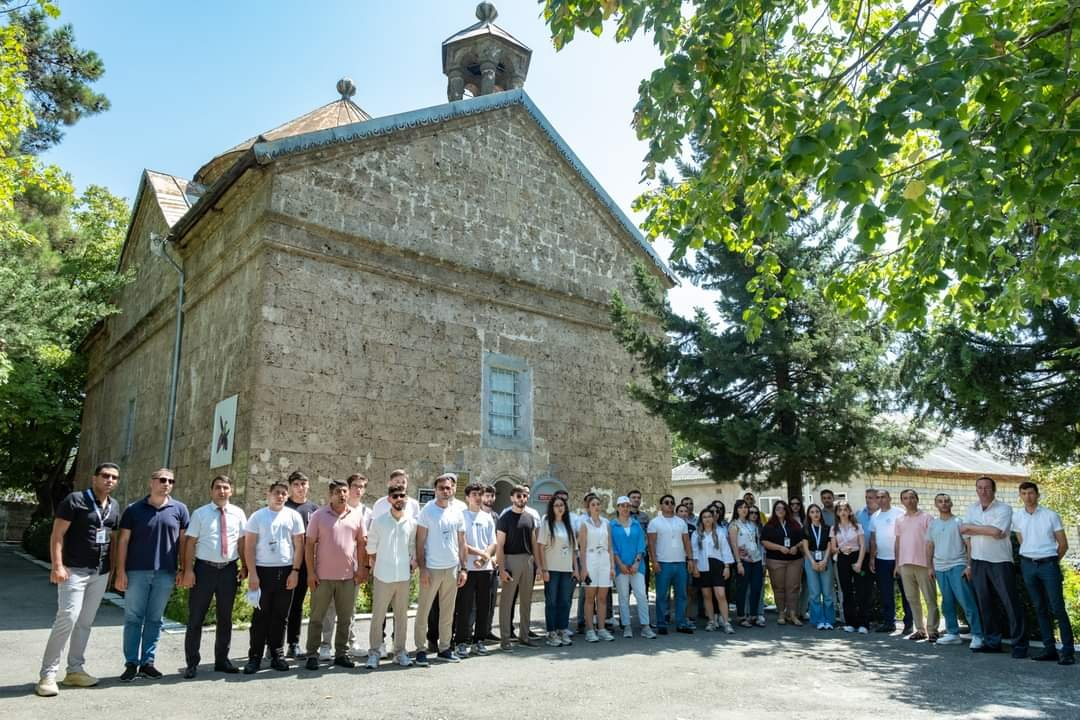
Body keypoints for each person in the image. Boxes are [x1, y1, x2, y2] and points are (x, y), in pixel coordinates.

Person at [35, 463, 122, 697]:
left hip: (99, 573)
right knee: (67, 619)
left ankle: (75, 670)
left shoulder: (114, 506)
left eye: (114, 477)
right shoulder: (75, 500)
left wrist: (112, 571)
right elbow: (57, 535)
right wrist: (58, 566)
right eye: (105, 476)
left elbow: (111, 540)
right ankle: (47, 675)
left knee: (85, 622)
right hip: (73, 571)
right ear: (94, 478)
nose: (110, 480)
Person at [115, 468, 189, 682]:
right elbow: (123, 541)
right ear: (152, 482)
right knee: (133, 618)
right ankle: (131, 663)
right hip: (136, 572)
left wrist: (184, 568)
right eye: (162, 480)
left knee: (155, 620)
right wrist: (120, 572)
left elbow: (183, 543)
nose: (167, 484)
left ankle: (147, 663)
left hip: (165, 573)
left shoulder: (180, 509)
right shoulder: (134, 510)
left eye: (171, 481)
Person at [181, 475, 247, 678]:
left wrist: (245, 566)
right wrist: (188, 570)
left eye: (226, 488)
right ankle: (192, 663)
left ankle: (222, 660)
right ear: (212, 491)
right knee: (196, 618)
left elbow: (242, 542)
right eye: (218, 487)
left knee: (225, 618)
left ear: (231, 491)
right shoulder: (200, 514)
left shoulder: (238, 513)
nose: (222, 491)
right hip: (204, 570)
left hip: (228, 570)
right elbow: (190, 543)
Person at [304, 478, 368, 671]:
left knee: (346, 618)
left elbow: (362, 544)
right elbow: (309, 545)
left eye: (345, 491)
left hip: (348, 577)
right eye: (338, 492)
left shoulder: (356, 515)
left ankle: (341, 653)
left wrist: (362, 569)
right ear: (330, 495)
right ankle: (312, 655)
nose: (342, 495)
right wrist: (310, 573)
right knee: (317, 618)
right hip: (322, 577)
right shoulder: (318, 515)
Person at [961, 476, 1028, 658]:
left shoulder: (1004, 509)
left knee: (1010, 604)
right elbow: (964, 532)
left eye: (987, 488)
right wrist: (969, 562)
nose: (983, 491)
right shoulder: (971, 508)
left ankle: (1019, 645)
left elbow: (997, 532)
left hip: (1000, 562)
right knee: (985, 604)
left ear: (994, 490)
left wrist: (973, 527)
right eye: (980, 488)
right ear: (976, 490)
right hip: (978, 561)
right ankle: (992, 642)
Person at [243, 481, 305, 673]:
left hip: (286, 571)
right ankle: (255, 657)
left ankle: (277, 655)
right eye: (277, 493)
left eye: (283, 493)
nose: (280, 496)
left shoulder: (293, 516)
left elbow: (299, 545)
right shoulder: (257, 516)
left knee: (280, 616)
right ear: (268, 494)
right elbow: (249, 547)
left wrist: (295, 571)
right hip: (262, 571)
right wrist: (252, 573)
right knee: (261, 615)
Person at [1013, 481, 1073, 664]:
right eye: (1024, 493)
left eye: (1031, 493)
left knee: (1057, 608)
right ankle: (1049, 649)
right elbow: (1021, 540)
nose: (1027, 497)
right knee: (1039, 608)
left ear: (1037, 495)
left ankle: (1068, 652)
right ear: (1020, 496)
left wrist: (1052, 562)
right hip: (1028, 565)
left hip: (1048, 565)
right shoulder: (1017, 517)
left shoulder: (1050, 515)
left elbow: (1063, 544)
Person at [414, 473, 467, 666]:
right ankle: (420, 649)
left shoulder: (457, 511)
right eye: (442, 488)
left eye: (449, 488)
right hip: (432, 568)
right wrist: (423, 568)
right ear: (435, 490)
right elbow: (420, 542)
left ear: (453, 489)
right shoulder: (427, 511)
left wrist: (464, 568)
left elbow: (462, 542)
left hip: (452, 568)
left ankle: (445, 648)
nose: (446, 491)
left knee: (448, 612)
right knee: (424, 611)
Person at [364, 480, 417, 670]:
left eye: (402, 495)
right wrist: (383, 564)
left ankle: (400, 652)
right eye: (395, 496)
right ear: (389, 499)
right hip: (383, 576)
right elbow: (371, 549)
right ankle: (374, 653)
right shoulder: (378, 522)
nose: (399, 499)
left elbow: (412, 548)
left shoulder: (412, 523)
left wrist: (411, 563)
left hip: (403, 576)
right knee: (378, 617)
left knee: (401, 617)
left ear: (406, 498)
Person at [319, 472, 371, 659]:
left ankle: (350, 642)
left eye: (362, 486)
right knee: (329, 608)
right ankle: (325, 644)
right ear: (348, 490)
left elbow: (367, 543)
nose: (358, 489)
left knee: (349, 610)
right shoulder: (330, 510)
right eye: (355, 486)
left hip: (354, 568)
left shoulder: (367, 513)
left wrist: (365, 567)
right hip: (330, 568)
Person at [926, 493, 983, 648]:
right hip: (940, 568)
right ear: (936, 505)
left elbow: (969, 545)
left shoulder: (959, 522)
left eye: (946, 501)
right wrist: (930, 567)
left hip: (958, 566)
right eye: (940, 501)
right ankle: (952, 634)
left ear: (951, 503)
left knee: (967, 602)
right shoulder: (933, 524)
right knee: (947, 602)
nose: (943, 504)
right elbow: (930, 545)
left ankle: (978, 635)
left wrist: (969, 566)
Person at [454, 482, 496, 657]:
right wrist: (482, 555)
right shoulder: (461, 516)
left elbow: (493, 542)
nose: (478, 498)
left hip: (484, 570)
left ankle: (479, 641)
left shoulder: (487, 517)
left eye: (480, 494)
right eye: (474, 495)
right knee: (464, 607)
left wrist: (485, 557)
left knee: (483, 607)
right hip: (467, 569)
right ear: (467, 497)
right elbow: (462, 543)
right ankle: (461, 641)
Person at [497, 484, 540, 650]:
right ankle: (505, 640)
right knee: (507, 601)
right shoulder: (505, 518)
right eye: (518, 496)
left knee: (526, 601)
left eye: (524, 496)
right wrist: (501, 569)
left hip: (528, 561)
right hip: (510, 560)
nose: (522, 499)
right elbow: (500, 545)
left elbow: (534, 543)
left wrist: (538, 565)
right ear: (512, 498)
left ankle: (524, 636)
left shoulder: (530, 518)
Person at [894, 489, 938, 642]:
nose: (909, 500)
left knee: (930, 599)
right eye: (905, 498)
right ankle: (920, 630)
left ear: (917, 499)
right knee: (912, 598)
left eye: (912, 497)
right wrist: (897, 564)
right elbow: (898, 543)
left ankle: (933, 631)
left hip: (924, 564)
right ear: (902, 502)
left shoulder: (927, 518)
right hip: (905, 564)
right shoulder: (899, 520)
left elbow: (932, 542)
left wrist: (931, 563)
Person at [648, 494, 695, 635]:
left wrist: (690, 559)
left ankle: (681, 623)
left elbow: (686, 542)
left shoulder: (681, 522)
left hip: (680, 563)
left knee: (681, 595)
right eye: (666, 502)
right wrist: (654, 561)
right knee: (662, 595)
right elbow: (651, 544)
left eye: (672, 502)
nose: (670, 505)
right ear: (661, 505)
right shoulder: (655, 522)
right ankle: (661, 623)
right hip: (663, 563)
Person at [284, 471, 318, 658]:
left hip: (305, 564)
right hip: (283, 563)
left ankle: (293, 643)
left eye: (303, 484)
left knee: (296, 605)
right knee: (279, 605)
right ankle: (272, 643)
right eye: (296, 484)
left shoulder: (314, 509)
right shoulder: (284, 506)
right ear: (290, 486)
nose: (300, 488)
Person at [611, 496, 655, 639]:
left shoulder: (636, 525)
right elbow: (612, 547)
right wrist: (621, 565)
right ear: (617, 508)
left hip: (637, 567)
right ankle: (627, 626)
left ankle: (645, 626)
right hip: (620, 567)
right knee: (623, 597)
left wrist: (636, 562)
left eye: (627, 506)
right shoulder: (612, 526)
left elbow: (641, 545)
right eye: (622, 506)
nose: (625, 508)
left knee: (641, 595)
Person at [868, 490, 912, 634]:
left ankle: (909, 623)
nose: (880, 500)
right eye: (878, 498)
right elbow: (873, 538)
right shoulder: (875, 516)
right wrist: (872, 558)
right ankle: (889, 623)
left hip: (900, 559)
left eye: (883, 497)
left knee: (906, 592)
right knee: (886, 594)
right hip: (882, 560)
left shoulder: (899, 513)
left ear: (890, 498)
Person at [538, 494, 578, 645]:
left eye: (562, 505)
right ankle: (551, 632)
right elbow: (541, 547)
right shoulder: (547, 523)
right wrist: (544, 569)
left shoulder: (569, 525)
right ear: (552, 508)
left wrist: (575, 568)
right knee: (552, 601)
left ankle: (562, 629)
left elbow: (574, 549)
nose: (560, 508)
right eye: (556, 505)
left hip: (566, 569)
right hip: (552, 569)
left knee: (565, 601)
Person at [578, 495, 615, 642]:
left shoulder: (606, 523)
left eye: (598, 504)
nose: (596, 507)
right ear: (588, 508)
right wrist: (584, 568)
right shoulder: (584, 524)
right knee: (589, 597)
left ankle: (601, 628)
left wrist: (612, 566)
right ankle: (589, 630)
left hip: (604, 560)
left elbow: (610, 546)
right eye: (593, 504)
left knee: (602, 597)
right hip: (591, 559)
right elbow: (582, 549)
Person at [761, 500, 804, 625]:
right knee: (779, 587)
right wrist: (779, 548)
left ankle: (792, 614)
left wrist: (796, 546)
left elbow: (803, 539)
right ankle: (781, 612)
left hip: (794, 560)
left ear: (787, 510)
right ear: (774, 511)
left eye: (783, 508)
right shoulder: (769, 526)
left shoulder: (794, 524)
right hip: (776, 561)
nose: (781, 511)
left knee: (793, 587)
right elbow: (764, 542)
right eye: (778, 508)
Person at [691, 508, 734, 633]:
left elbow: (725, 550)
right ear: (701, 520)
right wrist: (695, 567)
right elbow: (694, 552)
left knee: (720, 594)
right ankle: (711, 621)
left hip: (717, 565)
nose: (707, 519)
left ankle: (726, 622)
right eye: (704, 517)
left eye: (709, 516)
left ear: (713, 518)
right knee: (706, 595)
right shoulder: (696, 534)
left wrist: (727, 567)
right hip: (703, 566)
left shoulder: (720, 532)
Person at [831, 501, 871, 633]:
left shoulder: (857, 526)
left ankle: (863, 624)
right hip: (842, 558)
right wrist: (841, 549)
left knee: (861, 591)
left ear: (849, 512)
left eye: (845, 509)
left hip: (857, 557)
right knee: (846, 591)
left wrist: (859, 563)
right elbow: (833, 548)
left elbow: (863, 546)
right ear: (837, 513)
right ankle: (850, 623)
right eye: (840, 510)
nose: (843, 512)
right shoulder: (834, 528)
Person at [730, 500, 764, 628]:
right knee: (742, 589)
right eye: (741, 507)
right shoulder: (734, 525)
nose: (744, 510)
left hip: (756, 559)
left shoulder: (752, 525)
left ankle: (754, 615)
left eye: (745, 507)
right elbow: (734, 545)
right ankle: (741, 616)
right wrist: (738, 562)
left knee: (756, 587)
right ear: (736, 510)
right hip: (743, 560)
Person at [802, 503, 834, 630]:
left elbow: (829, 545)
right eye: (812, 512)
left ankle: (829, 620)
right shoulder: (805, 529)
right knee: (814, 593)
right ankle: (818, 620)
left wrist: (825, 560)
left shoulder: (827, 528)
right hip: (811, 558)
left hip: (825, 558)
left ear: (820, 514)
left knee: (827, 593)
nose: (815, 514)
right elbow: (805, 547)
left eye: (817, 511)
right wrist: (812, 562)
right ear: (808, 515)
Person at [627, 489, 652, 596]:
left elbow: (648, 535)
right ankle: (624, 611)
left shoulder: (644, 517)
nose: (636, 500)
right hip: (626, 555)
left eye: (638, 498)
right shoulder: (622, 516)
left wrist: (641, 549)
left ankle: (643, 611)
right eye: (634, 497)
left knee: (643, 584)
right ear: (628, 500)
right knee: (625, 587)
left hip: (642, 555)